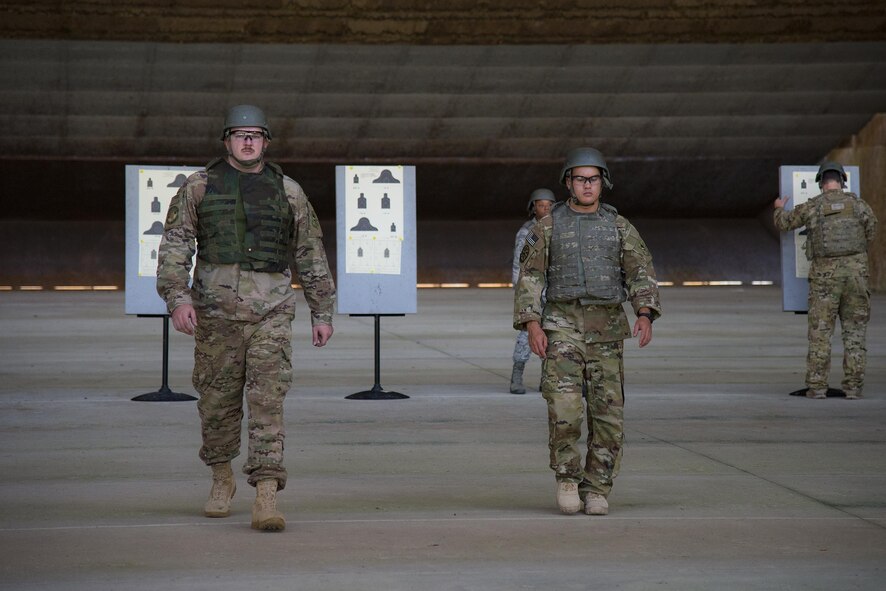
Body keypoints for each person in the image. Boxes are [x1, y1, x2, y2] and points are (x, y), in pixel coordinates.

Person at [156, 104, 336, 532]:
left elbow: (310, 252)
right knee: (216, 403)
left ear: (266, 141)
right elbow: (175, 246)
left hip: (271, 311)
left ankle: (266, 493)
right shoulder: (198, 187)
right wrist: (178, 299)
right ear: (227, 141)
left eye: (255, 134)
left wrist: (322, 310)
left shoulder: (289, 191)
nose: (248, 141)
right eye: (240, 135)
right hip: (215, 315)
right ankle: (222, 478)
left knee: (267, 399)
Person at [514, 147, 661, 516]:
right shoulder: (547, 227)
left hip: (608, 329)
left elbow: (640, 270)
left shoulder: (618, 226)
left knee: (608, 414)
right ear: (568, 182)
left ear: (603, 182)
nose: (587, 185)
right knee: (564, 408)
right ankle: (567, 477)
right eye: (579, 178)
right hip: (562, 325)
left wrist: (644, 312)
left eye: (593, 178)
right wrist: (532, 324)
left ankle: (597, 487)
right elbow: (530, 277)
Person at [773, 161, 877, 400]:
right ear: (843, 181)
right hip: (856, 278)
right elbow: (870, 233)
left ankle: (817, 387)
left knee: (821, 333)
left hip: (824, 279)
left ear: (821, 183)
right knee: (855, 333)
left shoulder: (813, 206)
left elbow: (783, 223)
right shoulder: (861, 206)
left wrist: (779, 208)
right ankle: (853, 387)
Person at [510, 188, 556, 394]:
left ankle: (547, 378)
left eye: (549, 205)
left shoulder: (559, 229)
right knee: (525, 336)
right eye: (541, 205)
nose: (545, 209)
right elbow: (519, 264)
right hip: (533, 292)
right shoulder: (528, 233)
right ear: (533, 207)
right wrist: (521, 291)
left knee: (556, 336)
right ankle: (516, 376)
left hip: (555, 292)